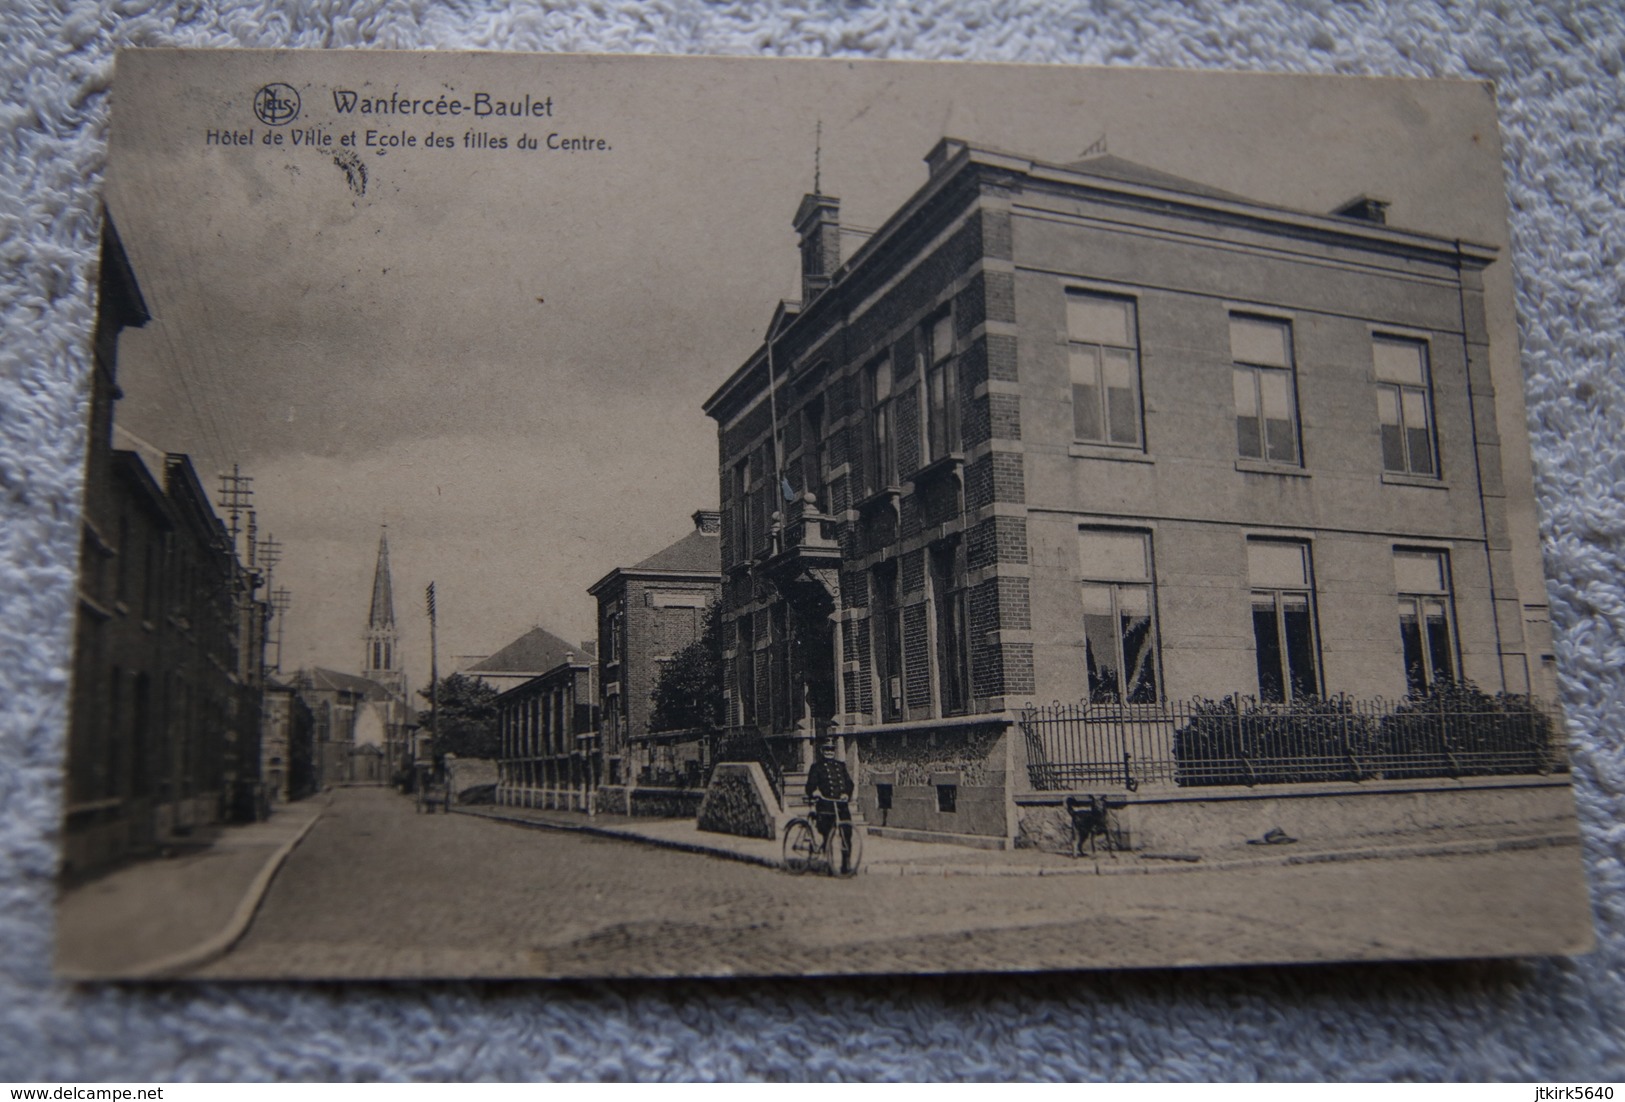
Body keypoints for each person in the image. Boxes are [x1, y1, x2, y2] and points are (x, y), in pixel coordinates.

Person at [804, 739, 855, 870]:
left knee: (847, 833)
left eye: (831, 749)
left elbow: (850, 783)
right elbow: (810, 786)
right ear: (822, 751)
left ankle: (846, 864)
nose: (829, 752)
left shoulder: (841, 765)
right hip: (826, 804)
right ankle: (828, 862)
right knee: (827, 834)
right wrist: (814, 792)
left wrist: (846, 794)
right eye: (826, 749)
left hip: (841, 805)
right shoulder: (816, 767)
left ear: (834, 751)